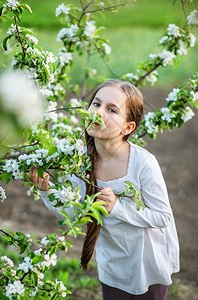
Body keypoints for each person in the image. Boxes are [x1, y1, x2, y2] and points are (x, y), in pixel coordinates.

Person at [29, 79, 180, 300]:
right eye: (96, 104)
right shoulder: (79, 162)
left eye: (111, 109)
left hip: (149, 263)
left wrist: (117, 207)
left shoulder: (143, 163)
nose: (98, 113)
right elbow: (74, 213)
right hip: (114, 264)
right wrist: (46, 191)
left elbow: (162, 216)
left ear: (128, 127)